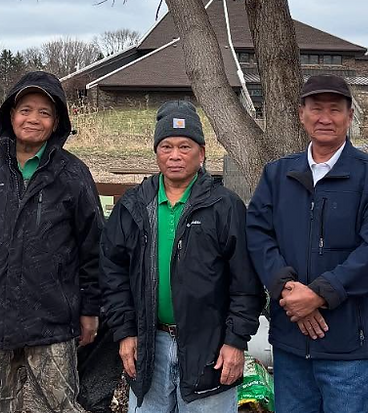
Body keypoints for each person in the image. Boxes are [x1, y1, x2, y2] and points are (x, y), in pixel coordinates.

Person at [0, 71, 104, 413]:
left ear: (57, 121)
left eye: (45, 112)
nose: (34, 119)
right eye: (26, 109)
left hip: (53, 320)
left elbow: (94, 247)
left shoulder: (73, 175)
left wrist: (89, 310)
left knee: (60, 407)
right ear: (10, 115)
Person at [246, 74, 368, 413]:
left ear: (349, 116)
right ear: (301, 114)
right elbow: (257, 234)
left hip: (353, 347)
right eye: (316, 109)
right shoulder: (278, 175)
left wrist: (318, 295)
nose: (325, 118)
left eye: (335, 109)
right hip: (291, 345)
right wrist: (287, 291)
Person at [101, 100, 264, 413]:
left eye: (185, 146)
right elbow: (113, 272)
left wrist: (236, 340)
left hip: (211, 347)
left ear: (201, 153)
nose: (175, 156)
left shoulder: (225, 207)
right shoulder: (134, 205)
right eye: (166, 146)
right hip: (149, 346)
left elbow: (246, 282)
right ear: (156, 152)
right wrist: (124, 331)